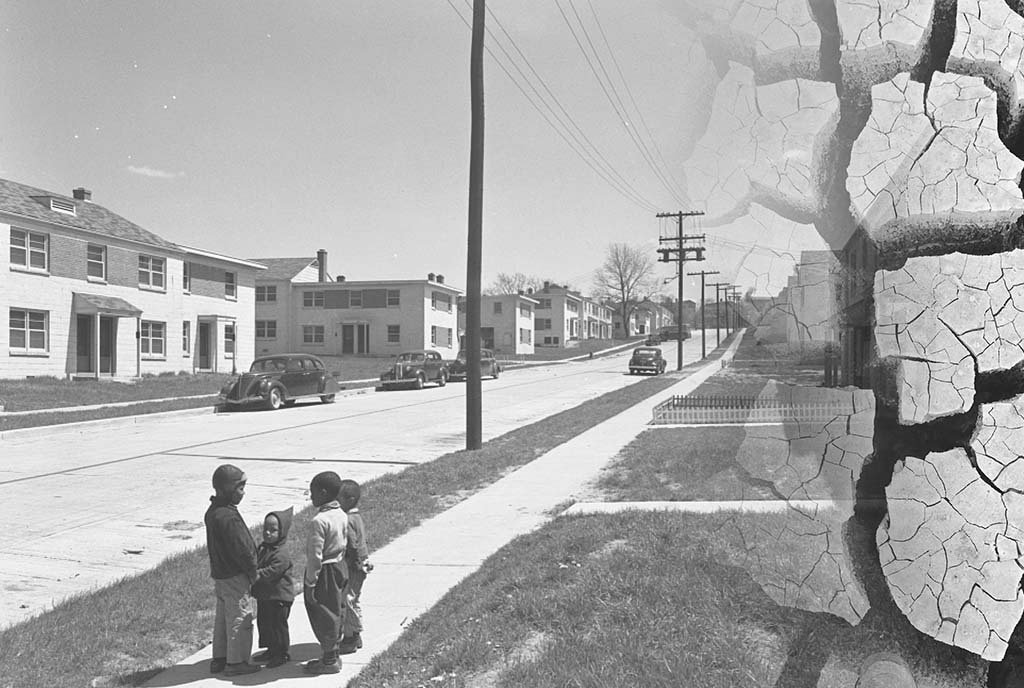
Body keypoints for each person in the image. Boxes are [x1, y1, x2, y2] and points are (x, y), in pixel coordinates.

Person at [204, 464, 260, 676]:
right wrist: (253, 571)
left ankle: (220, 658)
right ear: (226, 488)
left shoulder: (213, 512)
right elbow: (243, 549)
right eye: (240, 487)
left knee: (223, 617)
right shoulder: (229, 517)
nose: (243, 492)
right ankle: (236, 663)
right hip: (235, 575)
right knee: (240, 617)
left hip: (220, 574)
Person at [302, 471, 348, 675]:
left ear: (322, 492)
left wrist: (311, 583)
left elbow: (315, 557)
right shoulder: (342, 514)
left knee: (323, 613)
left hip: (325, 572)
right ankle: (334, 654)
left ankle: (329, 661)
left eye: (312, 492)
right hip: (340, 566)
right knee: (337, 608)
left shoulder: (319, 521)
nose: (311, 497)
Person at [251, 507, 297, 669]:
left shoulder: (281, 553)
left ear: (282, 532)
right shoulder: (263, 548)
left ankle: (282, 653)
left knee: (278, 626)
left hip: (279, 597)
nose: (268, 533)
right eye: (265, 529)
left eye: (273, 530)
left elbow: (273, 571)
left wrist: (256, 575)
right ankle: (271, 649)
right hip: (265, 597)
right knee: (265, 623)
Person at [338, 479, 372, 655]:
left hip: (354, 565)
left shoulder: (348, 519)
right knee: (353, 598)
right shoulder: (357, 517)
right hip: (361, 562)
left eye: (339, 499)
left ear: (349, 499)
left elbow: (352, 543)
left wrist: (354, 563)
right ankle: (355, 634)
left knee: (348, 600)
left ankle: (350, 637)